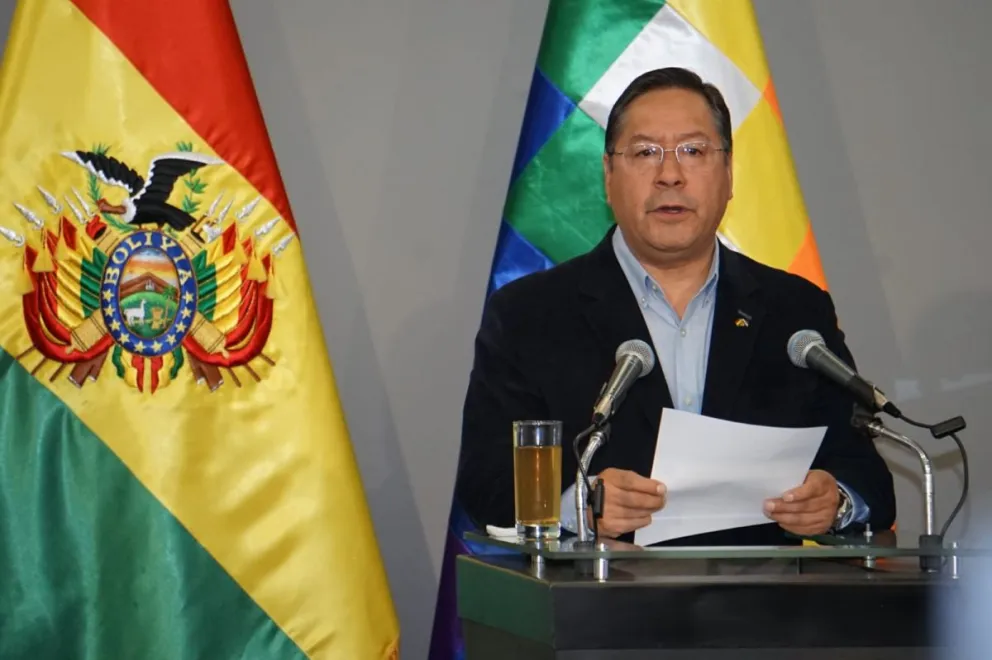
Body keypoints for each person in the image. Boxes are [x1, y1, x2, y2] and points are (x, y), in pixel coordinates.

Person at [454, 67, 895, 546]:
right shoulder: (528, 314)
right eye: (645, 153)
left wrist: (837, 500)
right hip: (598, 609)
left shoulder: (794, 311)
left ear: (728, 174)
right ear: (608, 175)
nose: (669, 175)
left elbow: (865, 473)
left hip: (760, 609)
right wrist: (579, 506)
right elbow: (486, 482)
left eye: (694, 151)